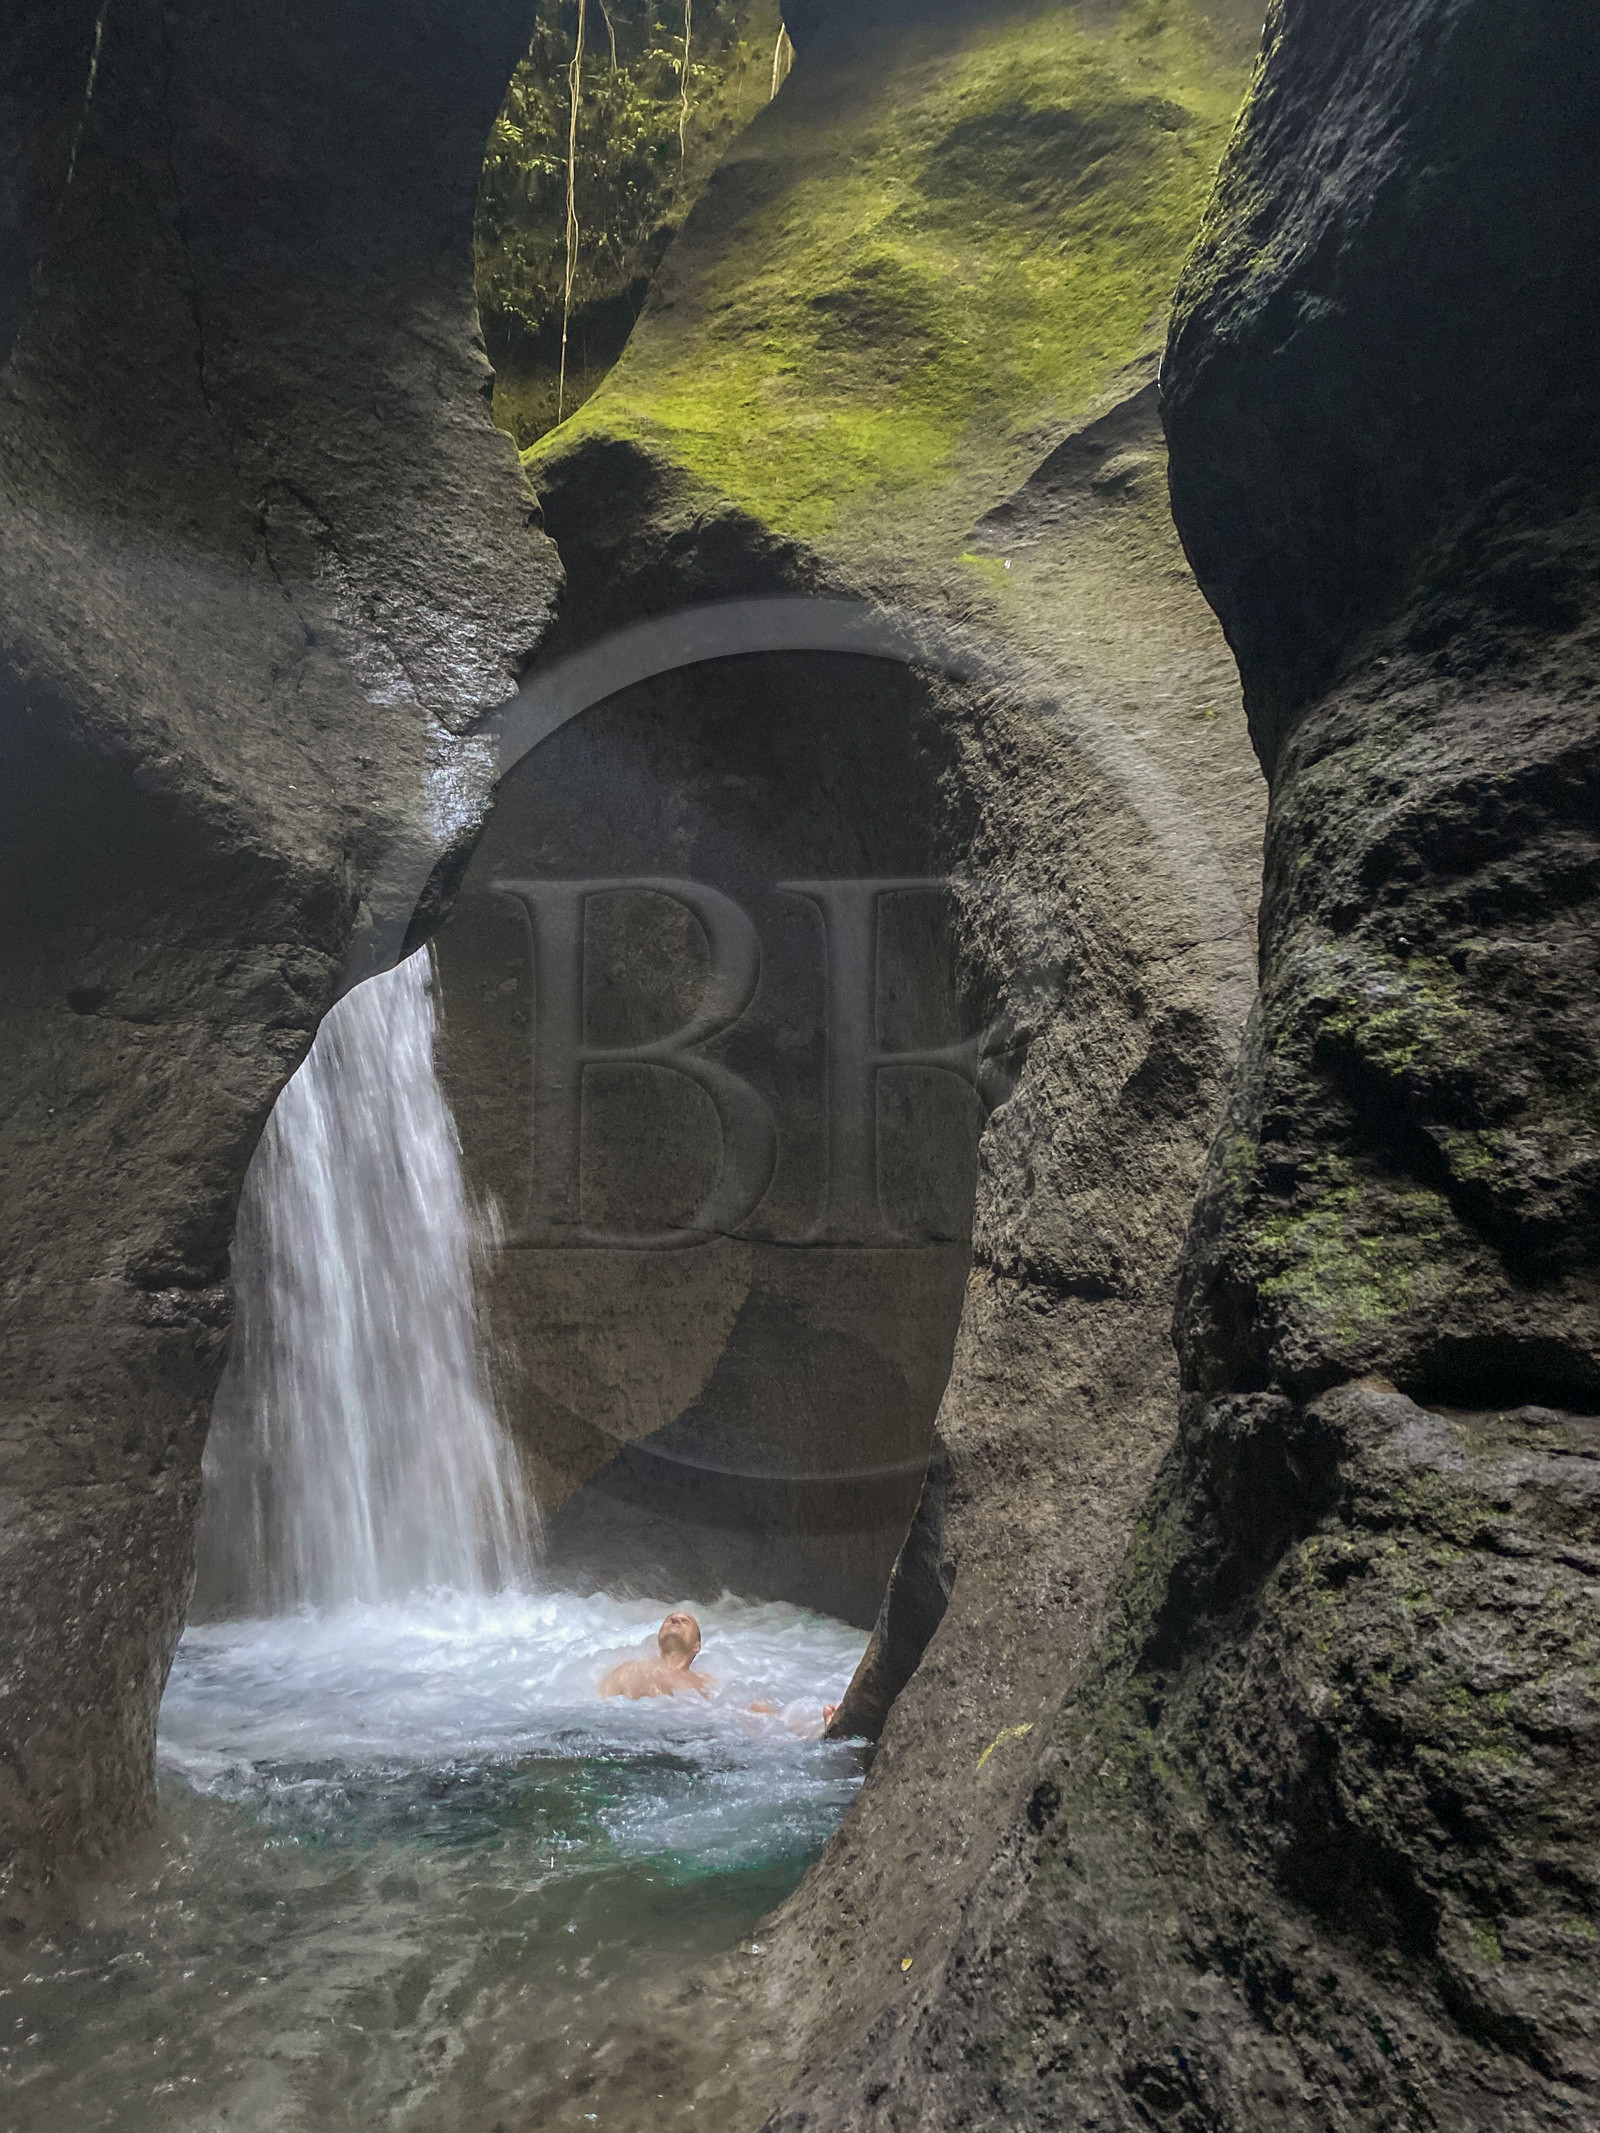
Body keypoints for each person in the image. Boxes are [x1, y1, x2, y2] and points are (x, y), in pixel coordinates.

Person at [597, 1610, 839, 1730]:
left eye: (685, 1621)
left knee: (756, 1708)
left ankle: (817, 1727)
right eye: (670, 1619)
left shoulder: (705, 1681)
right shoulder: (632, 1669)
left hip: (704, 1733)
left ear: (697, 1646)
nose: (675, 1620)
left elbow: (734, 1708)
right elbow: (599, 1708)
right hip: (655, 1732)